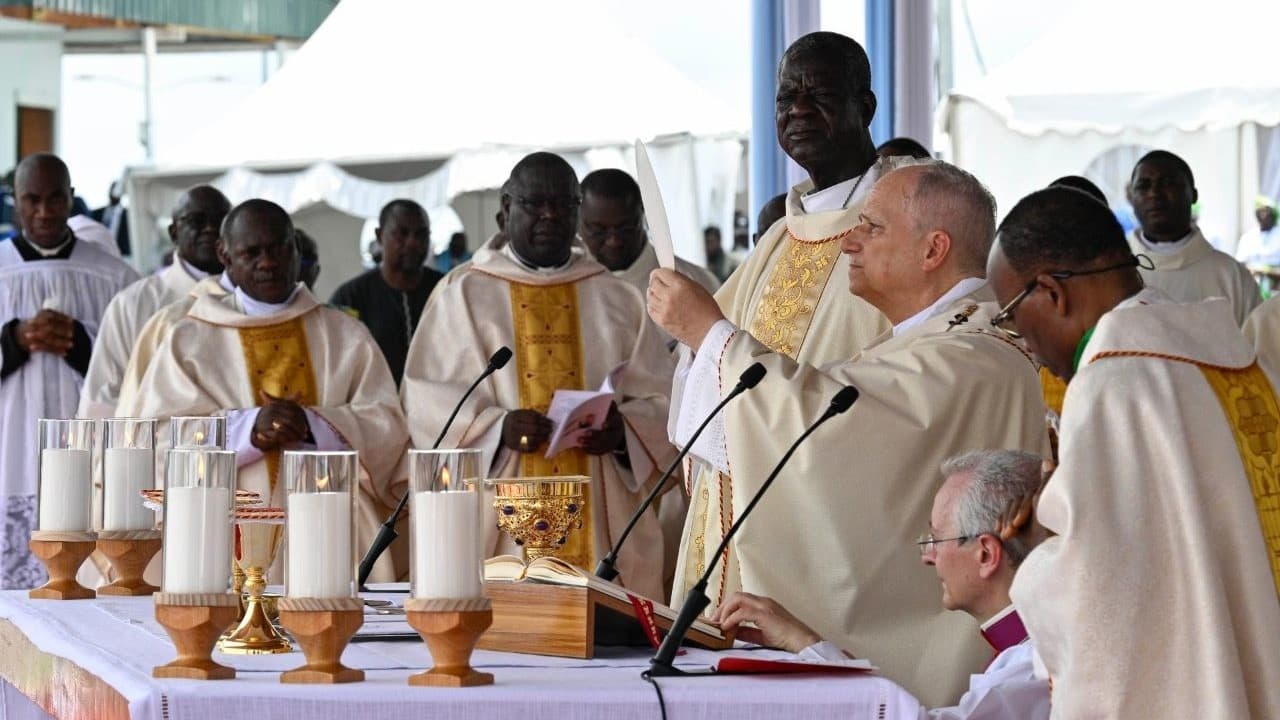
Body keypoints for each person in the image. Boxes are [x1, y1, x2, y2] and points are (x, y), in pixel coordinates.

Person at [648, 162, 1049, 706]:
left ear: (933, 250)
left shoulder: (972, 355)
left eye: (872, 228)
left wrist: (711, 334)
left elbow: (826, 430)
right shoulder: (937, 340)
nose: (848, 245)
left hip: (944, 686)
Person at [989, 186, 1280, 718]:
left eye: (1010, 316)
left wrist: (1032, 549)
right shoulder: (1231, 356)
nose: (1022, 341)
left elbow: (1102, 601)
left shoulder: (1114, 384)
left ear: (1051, 293)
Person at [669, 30, 901, 612]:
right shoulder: (780, 235)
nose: (798, 109)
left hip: (832, 511)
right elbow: (705, 361)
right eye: (785, 97)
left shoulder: (900, 225)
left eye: (818, 94)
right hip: (735, 504)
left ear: (865, 107)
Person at [401, 152, 677, 601]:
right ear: (506, 208)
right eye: (535, 203)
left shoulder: (618, 299)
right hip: (496, 523)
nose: (550, 214)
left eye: (563, 204)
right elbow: (425, 403)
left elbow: (666, 402)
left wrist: (623, 432)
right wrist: (497, 428)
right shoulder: (462, 295)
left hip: (602, 526)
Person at [123, 199, 409, 581]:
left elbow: (388, 425)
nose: (269, 262)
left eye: (279, 248)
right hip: (224, 529)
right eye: (252, 252)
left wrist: (312, 424)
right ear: (225, 255)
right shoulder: (189, 338)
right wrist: (249, 429)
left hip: (336, 529)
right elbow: (156, 439)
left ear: (295, 247)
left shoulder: (344, 335)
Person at [714, 450, 1051, 720]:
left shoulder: (1041, 660)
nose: (928, 557)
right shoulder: (1035, 639)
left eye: (936, 538)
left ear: (985, 554)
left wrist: (805, 644)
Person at [0, 153, 139, 588]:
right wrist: (14, 340)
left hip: (89, 450)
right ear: (15, 202)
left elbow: (136, 365)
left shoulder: (114, 277)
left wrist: (82, 343)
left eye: (55, 199)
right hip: (10, 449)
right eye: (32, 200)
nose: (44, 212)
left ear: (72, 199)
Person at [78, 186, 231, 418]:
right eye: (196, 220)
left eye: (219, 221)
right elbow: (103, 397)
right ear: (173, 232)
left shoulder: (253, 300)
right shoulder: (133, 303)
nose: (210, 228)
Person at [1126, 150, 1260, 325]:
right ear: (1131, 197)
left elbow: (1258, 346)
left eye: (1168, 183)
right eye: (1143, 186)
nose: (1154, 193)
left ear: (1194, 195)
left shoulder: (1232, 277)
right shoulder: (1112, 271)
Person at [330, 200, 444, 387]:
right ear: (380, 235)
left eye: (421, 234)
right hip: (373, 408)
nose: (413, 242)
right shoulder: (350, 297)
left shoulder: (447, 290)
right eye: (403, 233)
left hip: (439, 407)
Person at [579, 168, 719, 297]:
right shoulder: (566, 286)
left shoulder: (695, 283)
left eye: (626, 228)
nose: (614, 241)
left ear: (644, 217)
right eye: (598, 230)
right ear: (577, 223)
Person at [89, 179, 129, 256]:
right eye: (112, 191)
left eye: (116, 192)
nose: (114, 194)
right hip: (99, 254)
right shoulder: (96, 213)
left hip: (121, 255)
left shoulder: (128, 216)